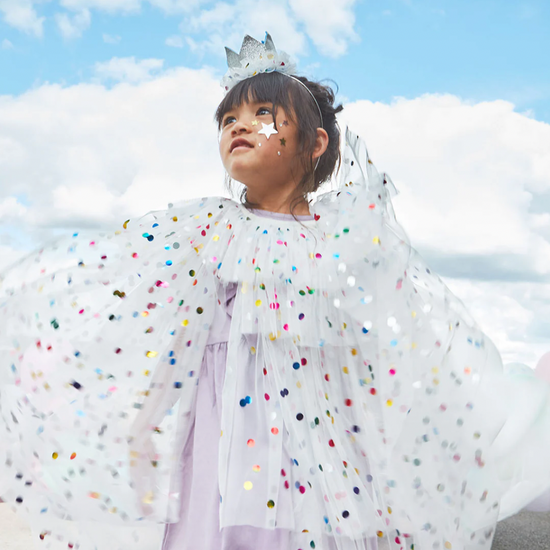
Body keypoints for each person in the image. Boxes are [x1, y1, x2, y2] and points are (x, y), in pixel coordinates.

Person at [1, 32, 549, 550]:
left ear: (315, 142)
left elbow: (390, 341)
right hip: (221, 437)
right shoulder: (210, 232)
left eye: (263, 113)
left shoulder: (344, 241)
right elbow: (165, 328)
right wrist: (137, 422)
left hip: (322, 447)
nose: (239, 126)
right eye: (228, 119)